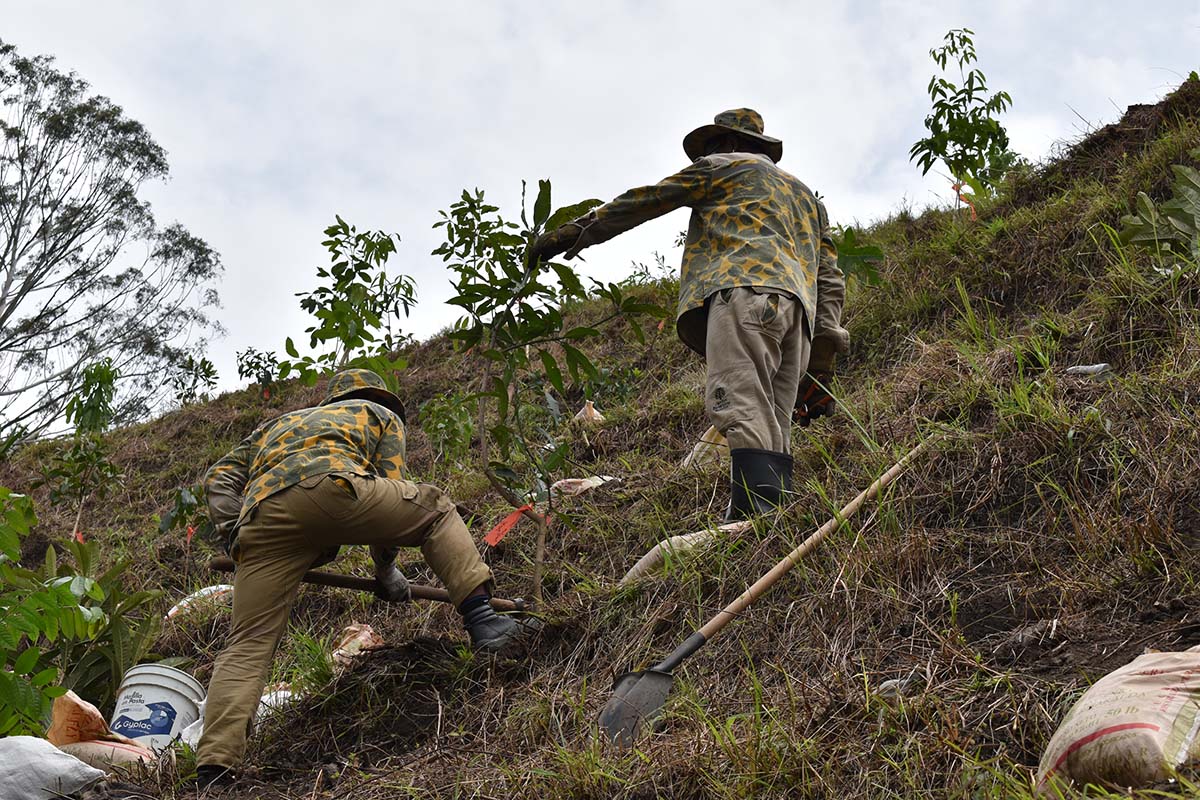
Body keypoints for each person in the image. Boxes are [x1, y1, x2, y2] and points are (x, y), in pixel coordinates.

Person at [194, 369, 527, 787]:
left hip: (263, 519)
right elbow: (392, 485)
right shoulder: (377, 413)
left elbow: (217, 479)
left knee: (247, 644)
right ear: (377, 397)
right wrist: (386, 569)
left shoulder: (274, 426)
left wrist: (234, 538)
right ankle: (485, 620)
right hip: (333, 489)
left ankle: (214, 766)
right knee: (436, 508)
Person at [529, 108, 849, 521]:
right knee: (775, 419)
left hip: (743, 293)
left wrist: (578, 232)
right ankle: (773, 526)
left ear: (731, 144)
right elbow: (831, 279)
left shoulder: (720, 167)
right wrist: (821, 362)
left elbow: (648, 199)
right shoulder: (808, 199)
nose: (708, 154)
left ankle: (755, 515)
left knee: (740, 405)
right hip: (797, 318)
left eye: (714, 146)